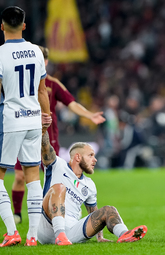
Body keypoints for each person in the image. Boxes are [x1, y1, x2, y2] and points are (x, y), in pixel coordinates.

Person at [12, 46, 106, 225]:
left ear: (45, 62)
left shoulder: (53, 84)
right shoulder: (21, 82)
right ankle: (17, 213)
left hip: (48, 138)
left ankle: (47, 214)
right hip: (25, 135)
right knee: (19, 176)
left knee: (51, 177)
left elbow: (71, 103)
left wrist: (88, 115)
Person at [37, 117, 147, 245]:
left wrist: (99, 236)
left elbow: (94, 213)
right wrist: (43, 129)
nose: (95, 160)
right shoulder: (57, 165)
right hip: (47, 229)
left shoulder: (89, 185)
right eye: (90, 155)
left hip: (72, 231)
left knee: (108, 209)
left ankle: (124, 234)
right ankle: (59, 235)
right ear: (77, 157)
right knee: (59, 188)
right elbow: (45, 147)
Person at [0, 6, 51, 247]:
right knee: (32, 176)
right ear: (24, 25)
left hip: (10, 120)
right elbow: (42, 90)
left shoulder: (0, 54)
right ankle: (32, 236)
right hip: (33, 119)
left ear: (1, 26)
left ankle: (11, 231)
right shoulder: (36, 52)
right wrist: (47, 115)